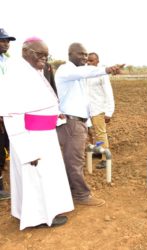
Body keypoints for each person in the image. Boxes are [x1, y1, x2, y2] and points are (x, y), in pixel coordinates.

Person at [0, 37, 74, 229]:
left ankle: (40, 213)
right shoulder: (16, 74)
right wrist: (26, 151)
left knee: (44, 177)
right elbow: (12, 115)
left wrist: (56, 116)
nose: (43, 58)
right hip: (31, 138)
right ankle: (40, 218)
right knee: (36, 178)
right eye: (39, 54)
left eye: (45, 55)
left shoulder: (31, 70)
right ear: (25, 51)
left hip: (43, 135)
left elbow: (38, 104)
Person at [55, 43, 123, 206]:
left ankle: (70, 191)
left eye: (86, 55)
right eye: (81, 54)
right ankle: (81, 195)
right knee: (75, 160)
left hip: (78, 121)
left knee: (72, 159)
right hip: (72, 123)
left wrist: (91, 122)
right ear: (70, 54)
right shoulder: (67, 70)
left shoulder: (76, 74)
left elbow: (81, 99)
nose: (85, 58)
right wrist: (107, 69)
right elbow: (87, 71)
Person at [86, 52, 115, 169]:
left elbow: (109, 94)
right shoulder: (86, 74)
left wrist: (109, 112)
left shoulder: (102, 75)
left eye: (92, 61)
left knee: (101, 134)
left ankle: (105, 159)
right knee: (94, 133)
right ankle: (98, 151)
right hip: (89, 109)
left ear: (97, 61)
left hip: (99, 109)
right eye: (88, 61)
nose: (89, 63)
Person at [0, 28, 15, 201]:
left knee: (11, 148)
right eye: (2, 40)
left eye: (8, 41)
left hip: (10, 113)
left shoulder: (8, 61)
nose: (6, 43)